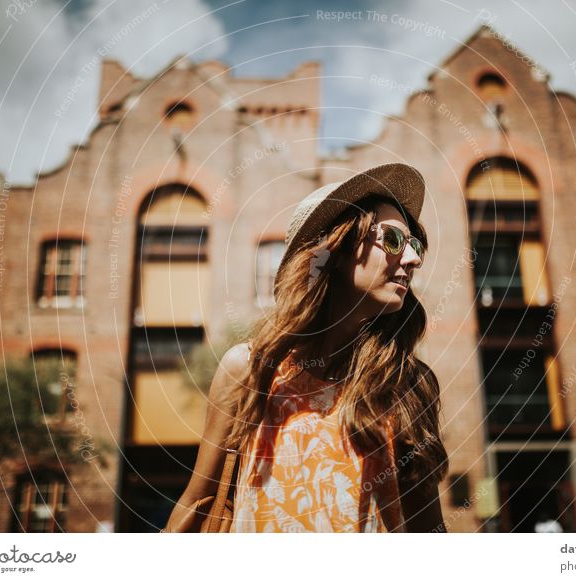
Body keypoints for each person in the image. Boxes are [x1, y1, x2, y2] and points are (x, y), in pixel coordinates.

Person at [163, 163, 449, 533]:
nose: (411, 260)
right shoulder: (249, 371)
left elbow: (429, 530)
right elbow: (197, 502)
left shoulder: (407, 385)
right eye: (392, 240)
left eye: (415, 247)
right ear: (336, 249)